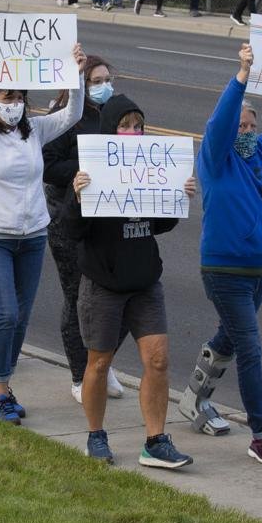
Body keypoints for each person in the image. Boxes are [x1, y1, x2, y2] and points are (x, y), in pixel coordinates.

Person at [177, 42, 262, 466]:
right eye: (240, 125)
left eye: (251, 125)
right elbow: (221, 121)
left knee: (231, 337)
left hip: (260, 269)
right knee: (250, 347)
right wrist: (241, 76)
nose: (246, 131)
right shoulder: (215, 157)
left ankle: (193, 398)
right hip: (223, 270)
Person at [0, 41, 86, 423]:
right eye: (8, 96)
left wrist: (75, 74)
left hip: (33, 236)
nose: (16, 102)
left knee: (21, 317)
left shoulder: (34, 131)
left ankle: (3, 385)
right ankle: (0, 389)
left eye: (21, 96)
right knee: (5, 312)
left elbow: (73, 113)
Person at [67, 95, 196, 469]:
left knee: (157, 360)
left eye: (138, 126)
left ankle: (155, 441)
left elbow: (160, 225)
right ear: (110, 130)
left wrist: (176, 196)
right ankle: (96, 434)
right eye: (125, 125)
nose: (133, 132)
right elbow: (71, 229)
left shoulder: (148, 167)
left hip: (145, 281)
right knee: (100, 363)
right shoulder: (89, 172)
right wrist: (77, 197)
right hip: (103, 283)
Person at [42, 55, 125, 402]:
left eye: (107, 78)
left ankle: (100, 363)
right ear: (80, 84)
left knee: (116, 298)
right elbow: (48, 167)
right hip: (69, 221)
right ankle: (80, 374)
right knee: (78, 299)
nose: (104, 85)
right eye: (95, 80)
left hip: (109, 222)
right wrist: (88, 166)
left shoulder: (117, 114)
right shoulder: (64, 120)